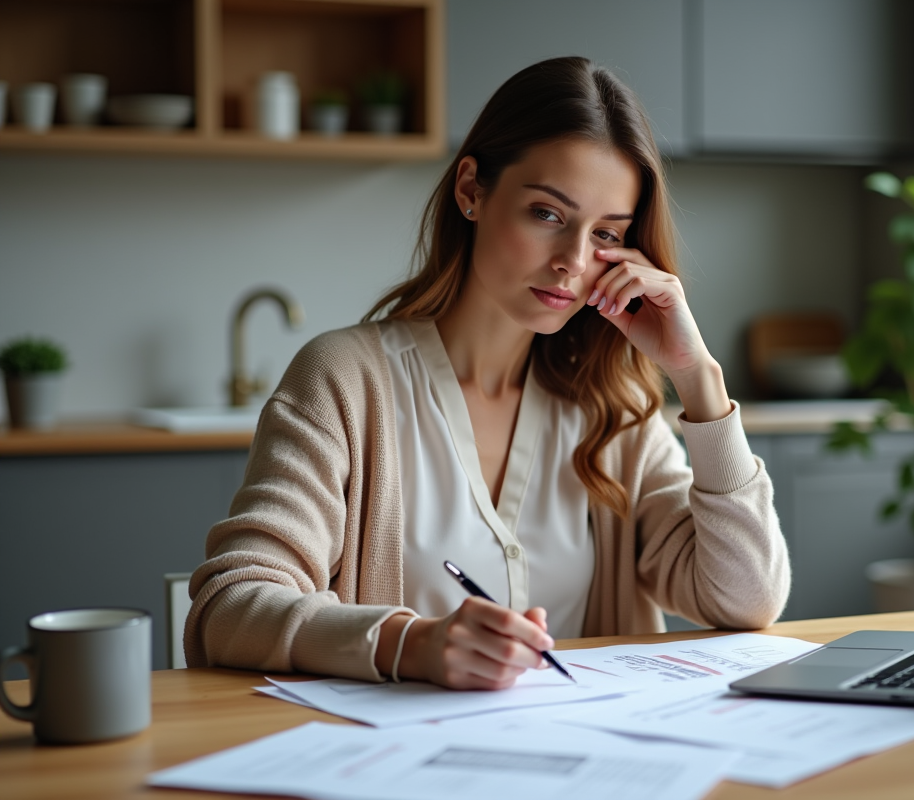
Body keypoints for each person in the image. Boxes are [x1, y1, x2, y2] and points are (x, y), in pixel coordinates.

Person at [184, 56, 789, 690]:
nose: (573, 263)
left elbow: (745, 601)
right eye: (548, 215)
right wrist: (410, 644)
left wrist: (698, 380)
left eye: (606, 234)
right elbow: (228, 607)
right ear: (472, 190)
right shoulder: (345, 380)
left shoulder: (613, 408)